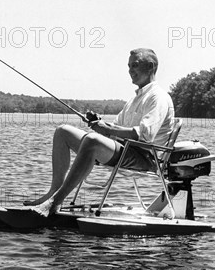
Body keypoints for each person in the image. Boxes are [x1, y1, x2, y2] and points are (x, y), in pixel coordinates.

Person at [24, 48, 175, 216]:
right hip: (124, 149)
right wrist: (99, 123)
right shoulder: (135, 99)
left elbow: (145, 135)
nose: (130, 70)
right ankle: (53, 193)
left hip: (144, 157)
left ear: (151, 66)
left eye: (135, 65)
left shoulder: (158, 97)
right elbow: (116, 127)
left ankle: (54, 204)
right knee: (62, 131)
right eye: (129, 66)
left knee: (93, 141)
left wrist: (105, 129)